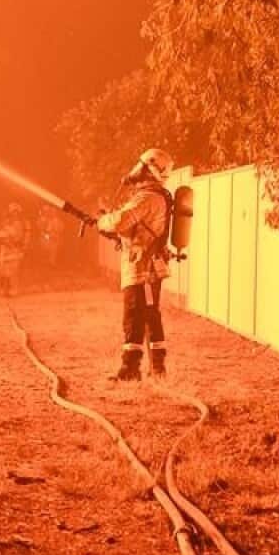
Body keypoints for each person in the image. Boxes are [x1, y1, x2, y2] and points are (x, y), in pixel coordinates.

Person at [92, 148, 175, 381]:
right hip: (148, 266)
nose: (136, 170)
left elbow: (119, 221)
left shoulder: (147, 197)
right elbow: (134, 228)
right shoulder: (156, 196)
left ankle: (132, 369)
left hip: (142, 269)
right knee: (147, 315)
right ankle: (155, 368)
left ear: (148, 169)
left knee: (134, 316)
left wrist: (102, 221)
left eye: (141, 166)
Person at [0, 202, 29, 297]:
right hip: (5, 250)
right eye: (13, 212)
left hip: (16, 249)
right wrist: (1, 238)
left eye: (16, 212)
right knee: (2, 270)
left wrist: (23, 246)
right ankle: (3, 289)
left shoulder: (24, 224)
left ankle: (13, 289)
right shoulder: (4, 224)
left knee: (14, 271)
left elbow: (25, 236)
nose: (14, 214)